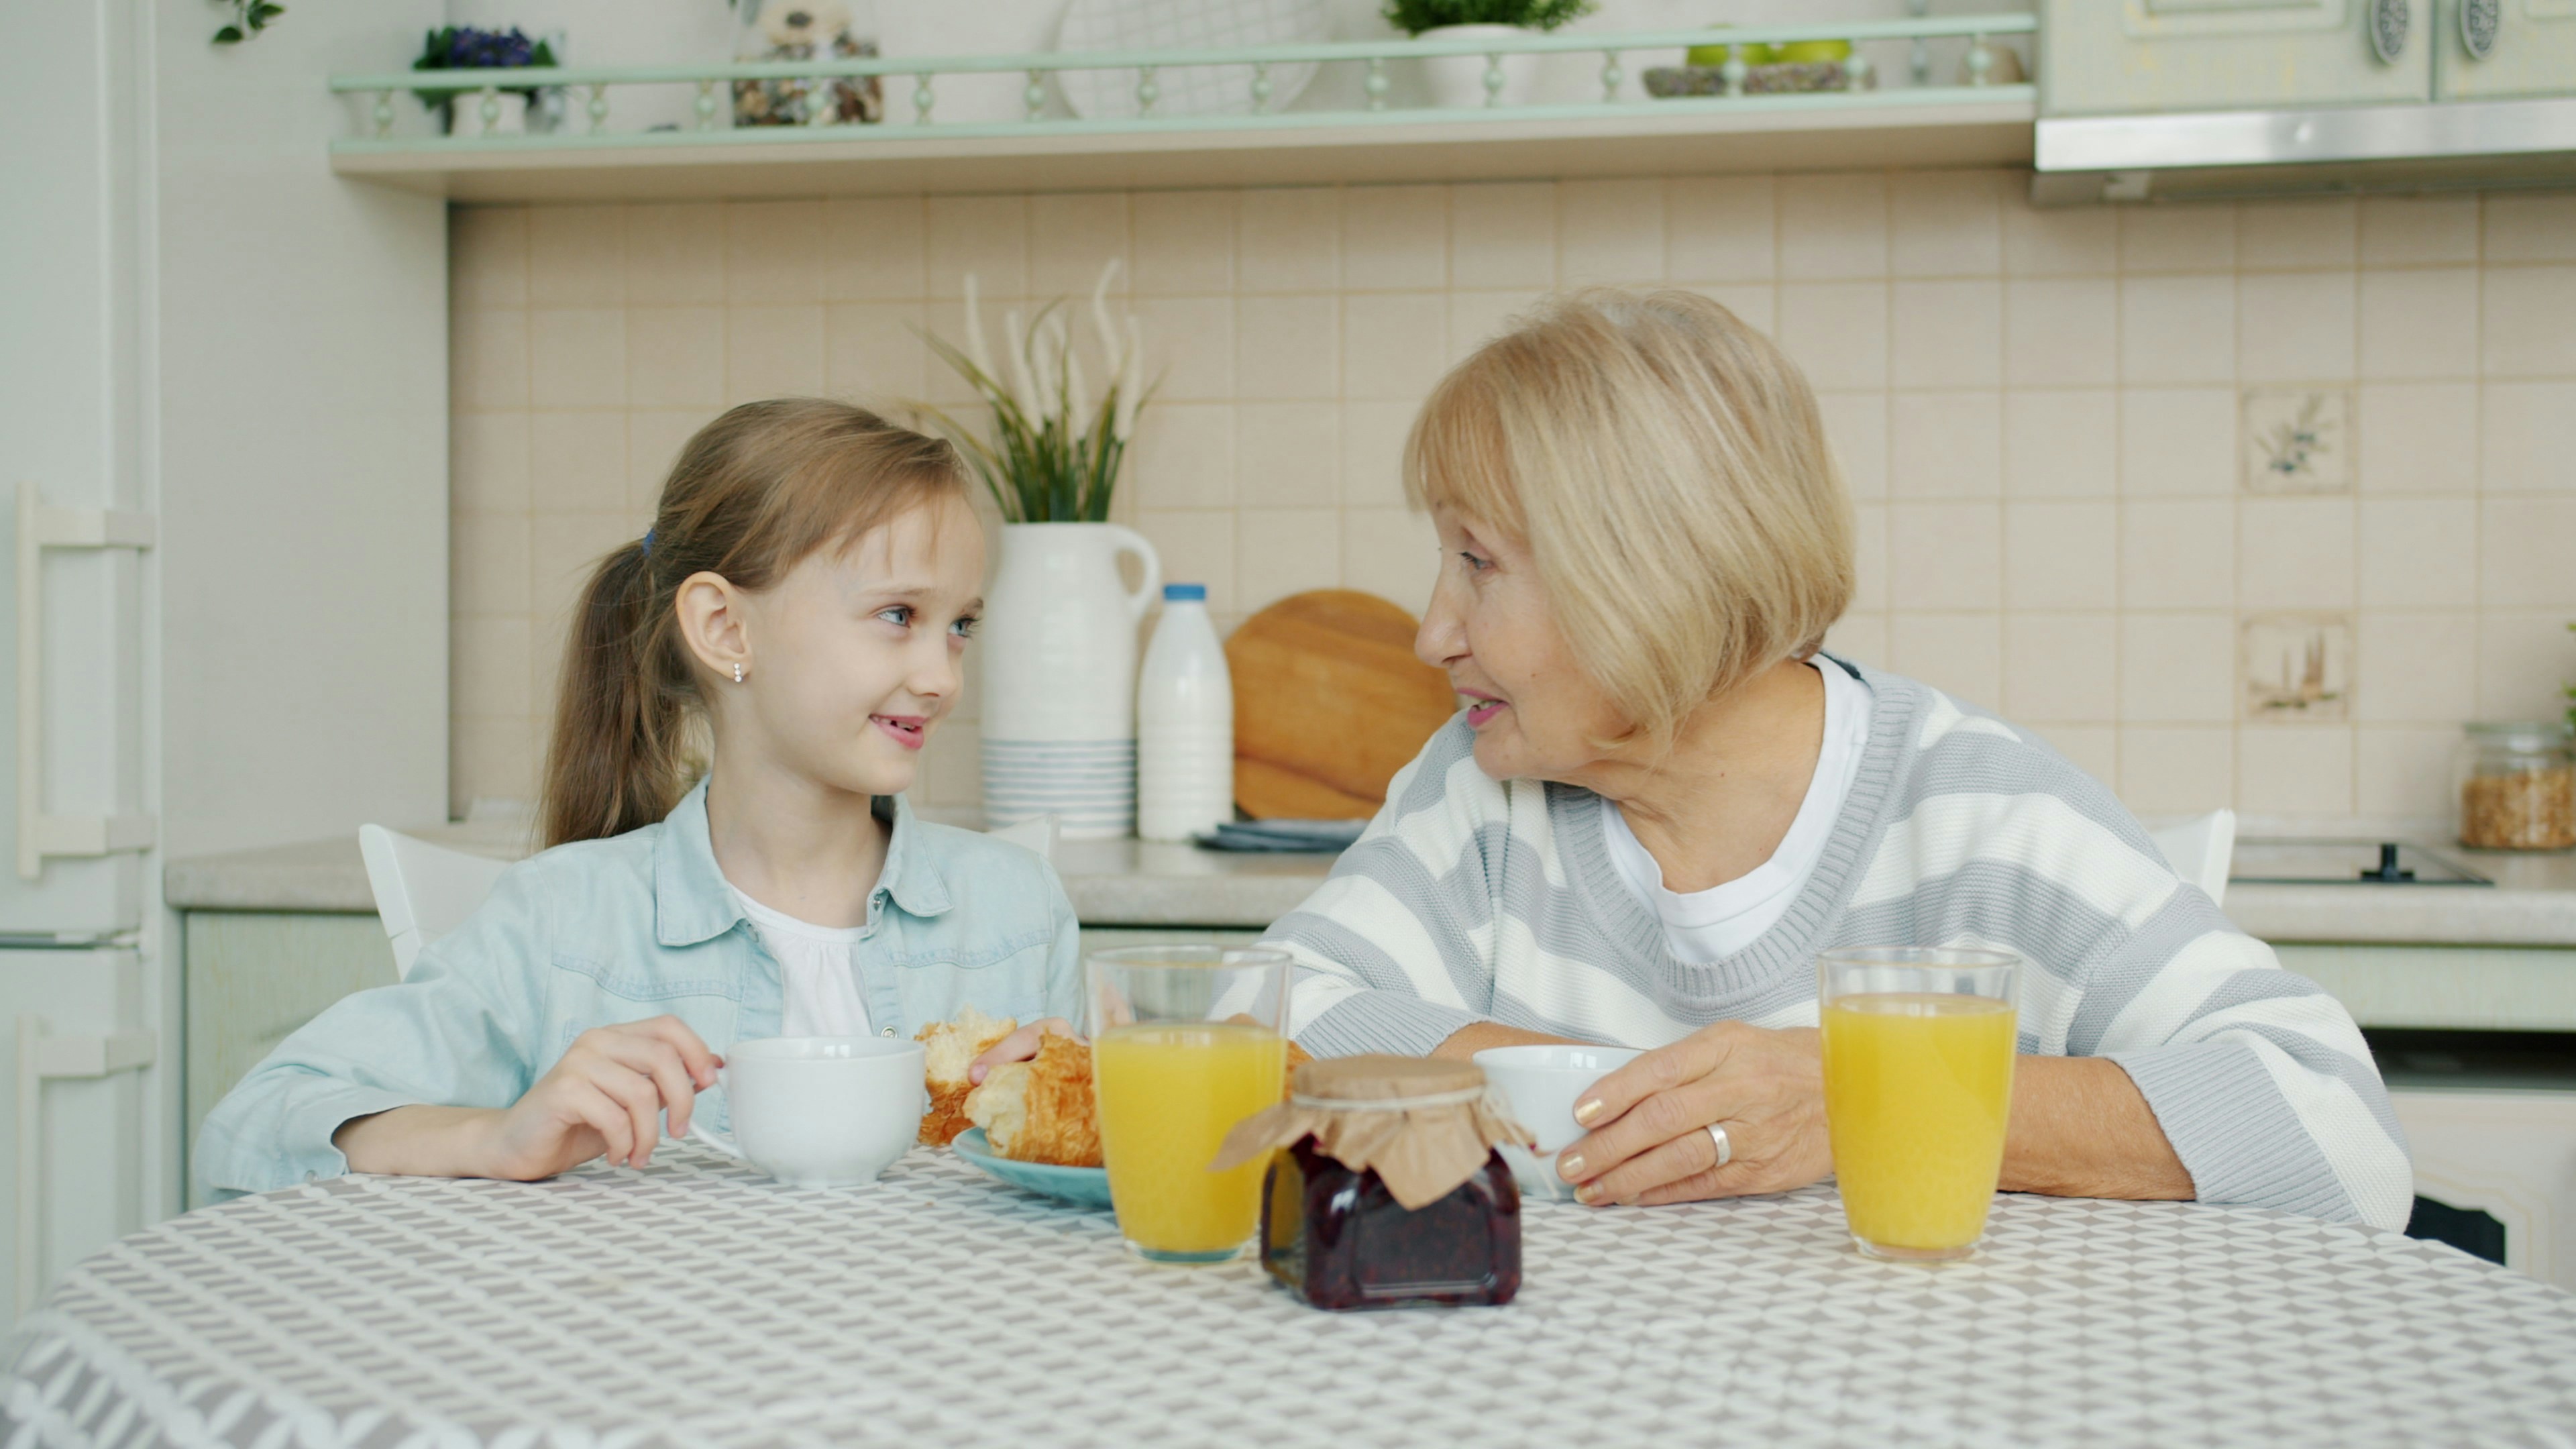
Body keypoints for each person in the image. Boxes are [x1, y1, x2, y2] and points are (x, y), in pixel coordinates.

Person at [1262, 289, 2410, 1231]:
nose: (1430, 632)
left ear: (1649, 576)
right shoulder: (1478, 796)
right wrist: (1630, 1091)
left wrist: (1867, 1098)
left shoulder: (1983, 818)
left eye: (1477, 562)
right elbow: (1259, 1022)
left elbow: (2335, 1130)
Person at [197, 400, 1077, 1197]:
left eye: (960, 626)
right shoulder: (563, 926)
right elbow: (252, 1129)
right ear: (726, 628)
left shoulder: (1016, 913)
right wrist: (499, 1136)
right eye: (899, 617)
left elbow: (1104, 1199)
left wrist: (1089, 1106)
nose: (940, 677)